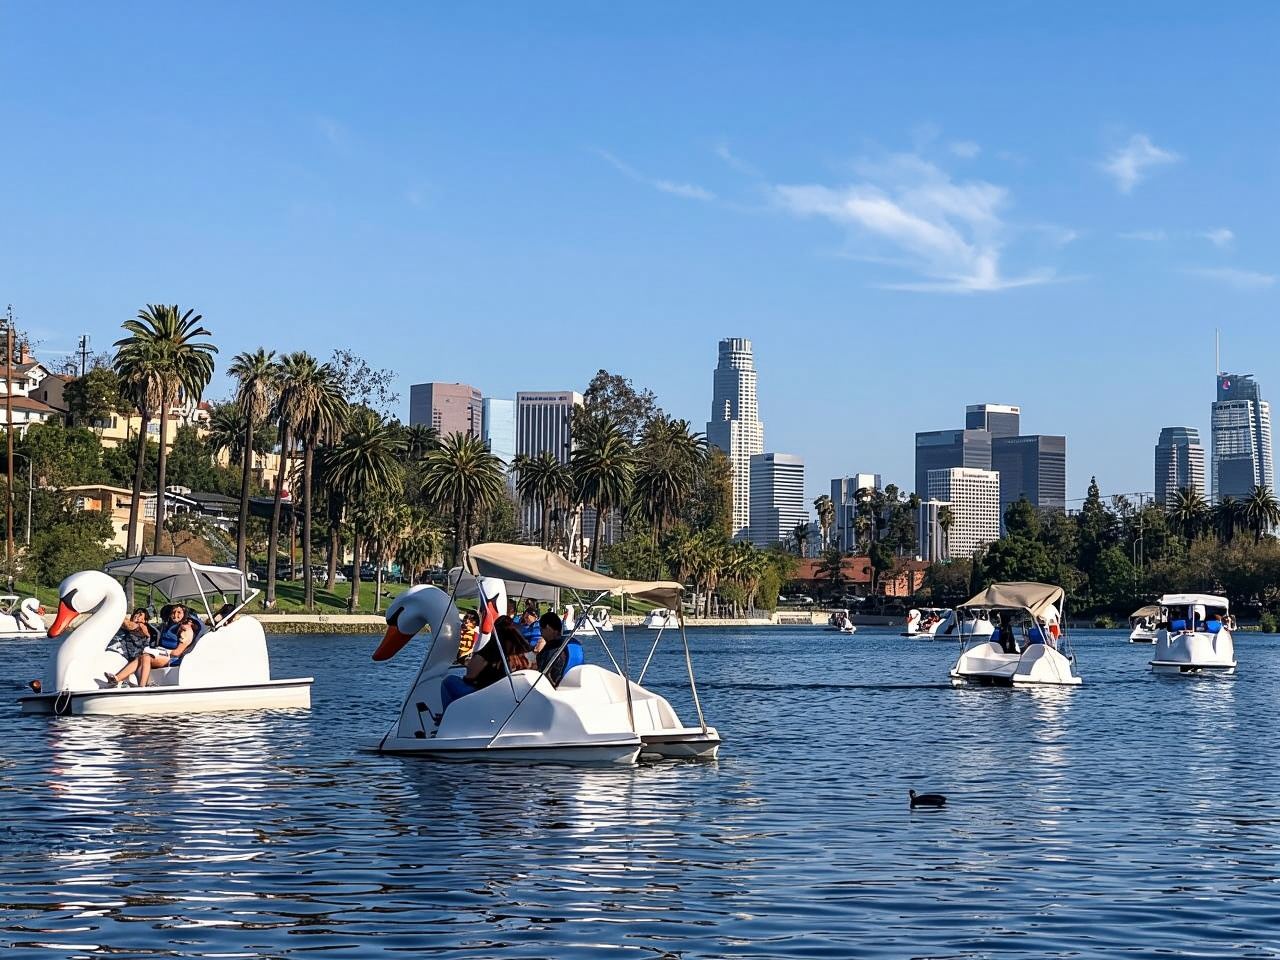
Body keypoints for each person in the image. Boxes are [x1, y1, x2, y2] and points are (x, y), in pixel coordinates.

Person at [440, 615, 534, 710]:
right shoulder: (526, 653)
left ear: (495, 630)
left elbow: (470, 676)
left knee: (449, 681)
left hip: (484, 697)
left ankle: (449, 714)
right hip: (510, 700)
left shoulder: (492, 648)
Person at [105, 603, 198, 688]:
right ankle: (116, 679)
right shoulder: (166, 626)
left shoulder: (185, 629)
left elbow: (177, 652)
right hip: (161, 654)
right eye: (173, 612)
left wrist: (161, 651)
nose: (175, 614)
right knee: (140, 657)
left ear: (184, 614)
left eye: (179, 612)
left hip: (172, 658)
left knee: (146, 657)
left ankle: (142, 686)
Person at [536, 611, 583, 685]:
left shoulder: (551, 648)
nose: (541, 633)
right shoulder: (572, 642)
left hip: (554, 688)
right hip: (575, 684)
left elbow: (542, 675)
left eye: (541, 629)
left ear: (548, 628)